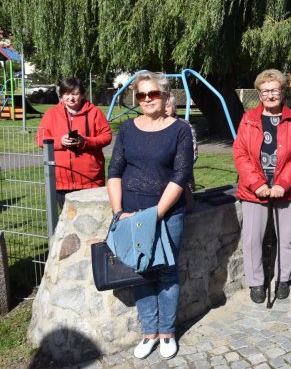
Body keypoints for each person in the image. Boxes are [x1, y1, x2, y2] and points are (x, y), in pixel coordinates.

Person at [107, 71, 194, 360]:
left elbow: (181, 175)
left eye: (152, 94)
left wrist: (156, 214)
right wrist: (119, 212)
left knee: (167, 272)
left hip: (167, 215)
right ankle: (149, 332)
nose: (146, 100)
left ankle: (167, 333)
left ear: (166, 95)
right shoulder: (128, 129)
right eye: (141, 95)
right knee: (141, 271)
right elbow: (115, 171)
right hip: (131, 213)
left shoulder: (179, 130)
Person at [233, 69, 291, 303]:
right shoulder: (249, 119)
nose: (270, 95)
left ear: (283, 91)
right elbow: (240, 153)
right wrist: (257, 184)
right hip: (254, 189)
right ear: (259, 93)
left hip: (287, 189)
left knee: (287, 238)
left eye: (275, 90)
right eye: (265, 91)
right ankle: (256, 282)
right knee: (253, 238)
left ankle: (282, 278)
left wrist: (283, 184)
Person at [36, 77, 112, 209]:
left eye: (75, 94)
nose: (70, 98)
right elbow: (40, 139)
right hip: (61, 180)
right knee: (67, 221)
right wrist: (60, 141)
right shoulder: (51, 114)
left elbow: (106, 136)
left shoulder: (94, 112)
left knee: (91, 222)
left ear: (82, 95)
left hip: (89, 180)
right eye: (66, 94)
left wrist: (85, 141)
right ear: (61, 95)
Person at [165, 94, 197, 212]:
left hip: (182, 180)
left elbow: (193, 153)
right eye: (162, 106)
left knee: (185, 212)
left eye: (168, 106)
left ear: (174, 107)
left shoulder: (184, 125)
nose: (165, 109)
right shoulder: (155, 126)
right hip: (161, 181)